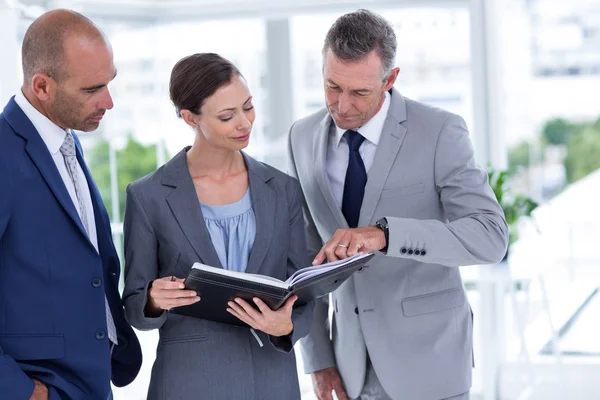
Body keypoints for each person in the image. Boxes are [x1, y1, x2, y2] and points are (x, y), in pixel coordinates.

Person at [288, 9, 509, 400]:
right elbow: (308, 259)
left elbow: (490, 237)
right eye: (332, 87)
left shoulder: (440, 131)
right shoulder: (301, 137)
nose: (341, 106)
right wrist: (318, 361)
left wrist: (386, 235)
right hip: (350, 368)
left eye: (359, 92)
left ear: (390, 79)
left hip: (431, 364)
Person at [122, 52, 314, 400]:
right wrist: (153, 298)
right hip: (189, 381)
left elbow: (301, 293)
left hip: (272, 382)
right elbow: (135, 307)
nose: (245, 123)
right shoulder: (148, 196)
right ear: (189, 117)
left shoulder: (283, 189)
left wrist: (286, 325)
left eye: (248, 107)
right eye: (227, 116)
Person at [0, 9, 142, 400]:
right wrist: (21, 392)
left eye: (109, 83)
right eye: (91, 90)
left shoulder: (66, 139)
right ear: (42, 86)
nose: (108, 102)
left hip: (92, 382)